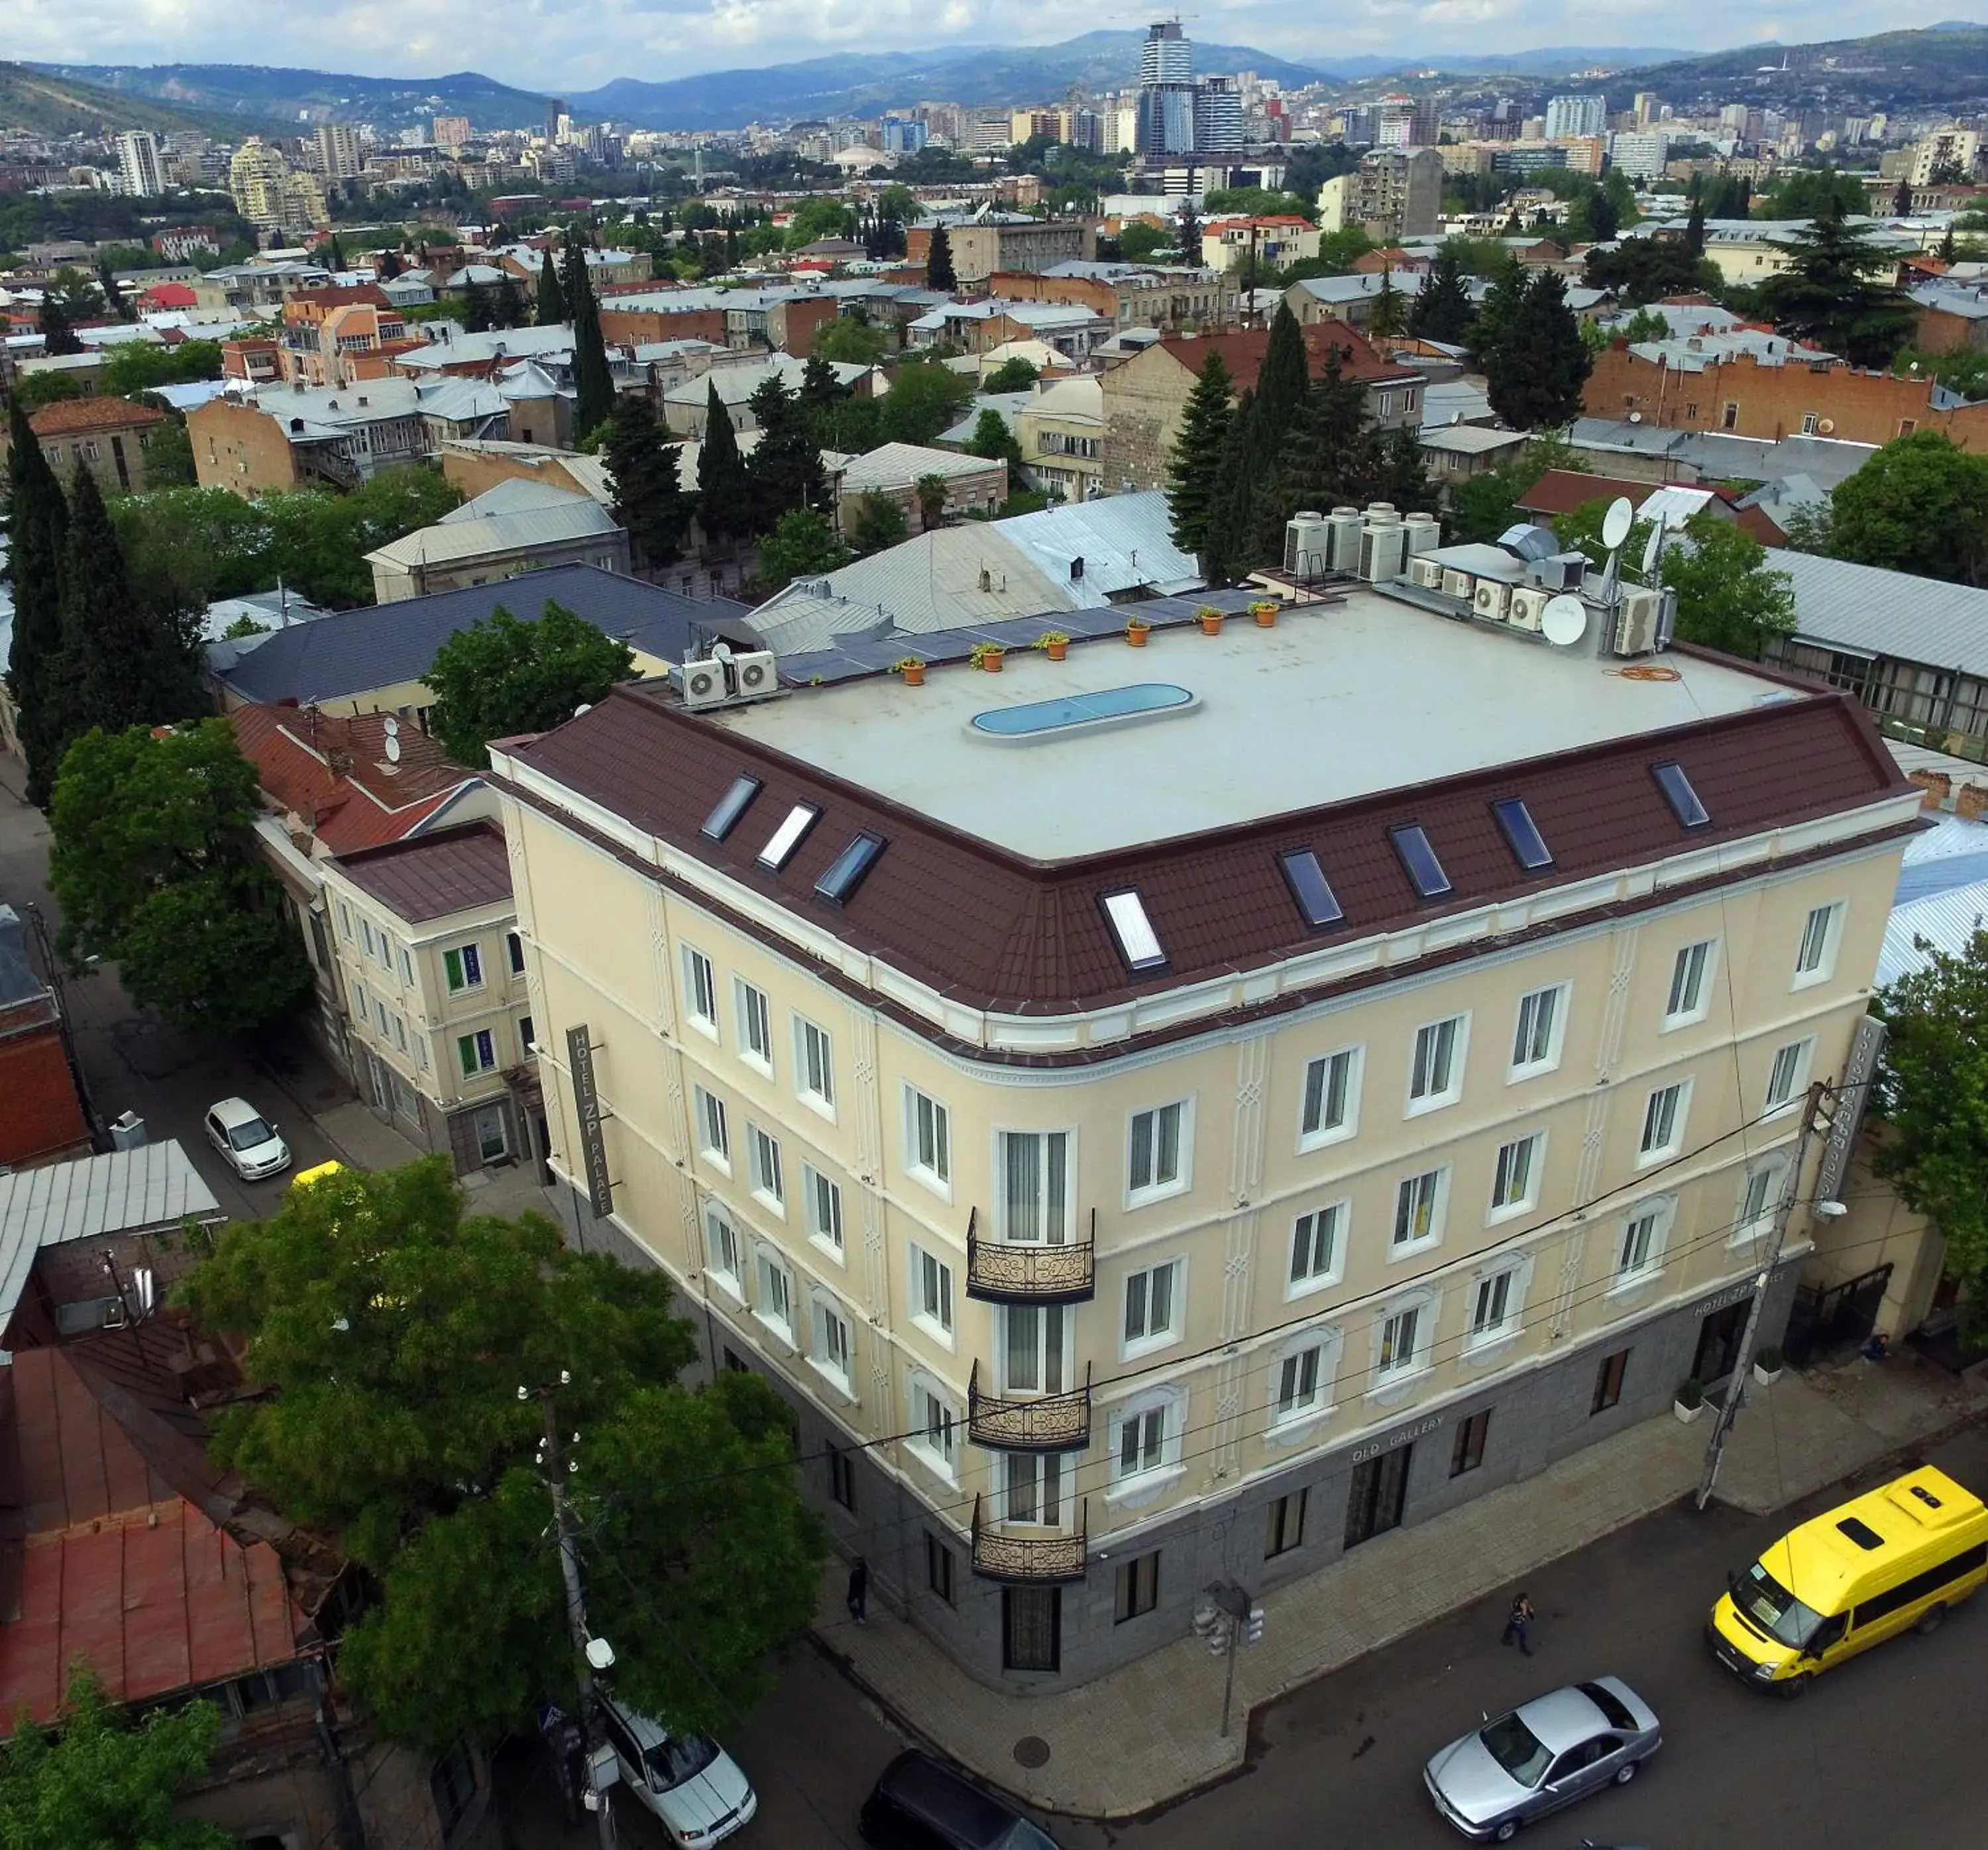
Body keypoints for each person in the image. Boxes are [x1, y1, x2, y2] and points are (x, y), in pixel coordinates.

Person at [1501, 1591, 1535, 1657]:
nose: (1526, 1603)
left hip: (1512, 1619)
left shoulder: (1516, 1603)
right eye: (1524, 1602)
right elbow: (1522, 1619)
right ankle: (1522, 1648)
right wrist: (1524, 1611)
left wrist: (1529, 1608)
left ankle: (1505, 1638)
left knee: (1510, 1627)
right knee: (1522, 1634)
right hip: (1517, 1623)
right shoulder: (1517, 1610)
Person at [847, 1555, 869, 1625]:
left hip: (856, 1590)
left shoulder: (856, 1573)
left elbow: (853, 1584)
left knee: (851, 1602)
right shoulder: (863, 1570)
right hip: (862, 1589)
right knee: (861, 1603)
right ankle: (861, 1617)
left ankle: (857, 1616)